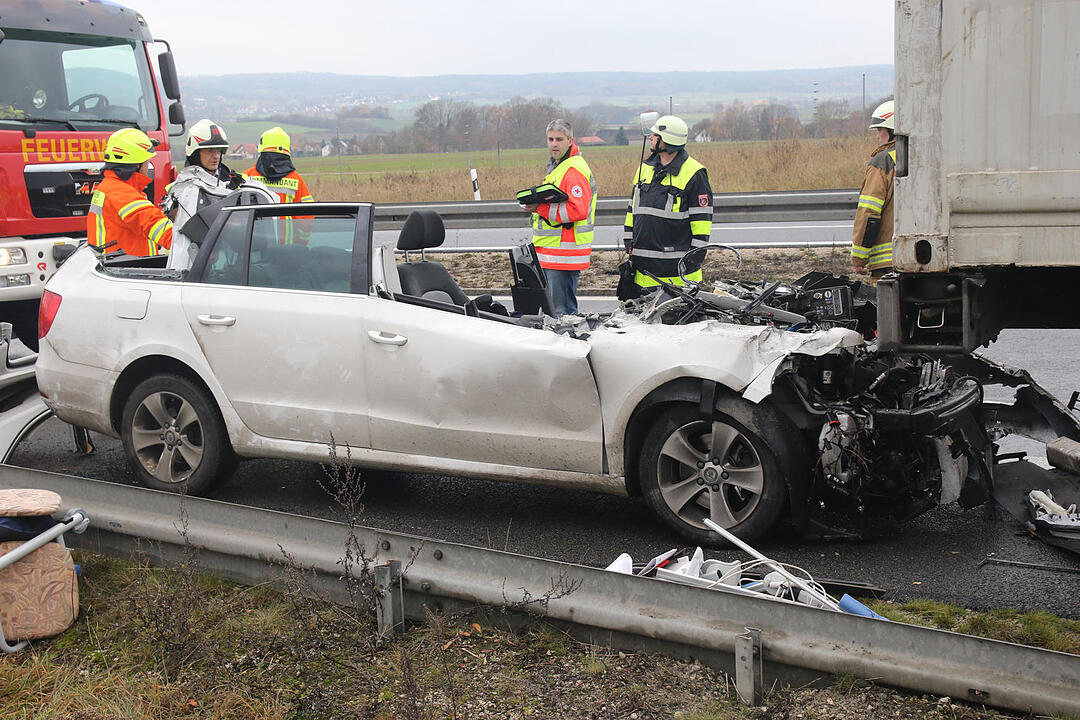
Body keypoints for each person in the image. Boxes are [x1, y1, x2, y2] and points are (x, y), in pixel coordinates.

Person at [622, 115, 713, 297]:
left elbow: (702, 224)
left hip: (677, 279)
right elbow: (633, 209)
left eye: (656, 134)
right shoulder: (644, 169)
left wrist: (692, 260)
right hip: (642, 275)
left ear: (668, 140)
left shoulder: (694, 174)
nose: (651, 137)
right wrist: (628, 242)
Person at [520, 119, 596, 315]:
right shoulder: (559, 166)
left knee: (562, 313)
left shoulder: (572, 170)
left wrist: (540, 208)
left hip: (564, 252)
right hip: (554, 252)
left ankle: (570, 343)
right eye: (550, 139)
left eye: (559, 139)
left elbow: (577, 211)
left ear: (570, 140)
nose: (554, 143)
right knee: (556, 312)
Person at [161, 118, 246, 270]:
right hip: (188, 266)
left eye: (219, 151)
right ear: (194, 153)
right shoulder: (179, 191)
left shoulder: (231, 184)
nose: (216, 156)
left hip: (225, 266)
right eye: (209, 151)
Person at [87, 128, 172, 257]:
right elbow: (156, 226)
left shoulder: (110, 187)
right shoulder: (121, 193)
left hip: (118, 267)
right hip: (127, 270)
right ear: (136, 165)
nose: (148, 166)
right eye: (147, 161)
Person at [243, 126, 314, 244]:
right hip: (287, 252)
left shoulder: (247, 177)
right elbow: (307, 220)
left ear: (262, 150)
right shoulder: (296, 180)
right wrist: (301, 244)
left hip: (253, 252)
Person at [851, 100, 896, 277]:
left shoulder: (882, 162)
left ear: (892, 131)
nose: (878, 136)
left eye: (880, 130)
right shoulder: (918, 156)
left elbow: (869, 212)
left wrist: (859, 258)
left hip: (887, 263)